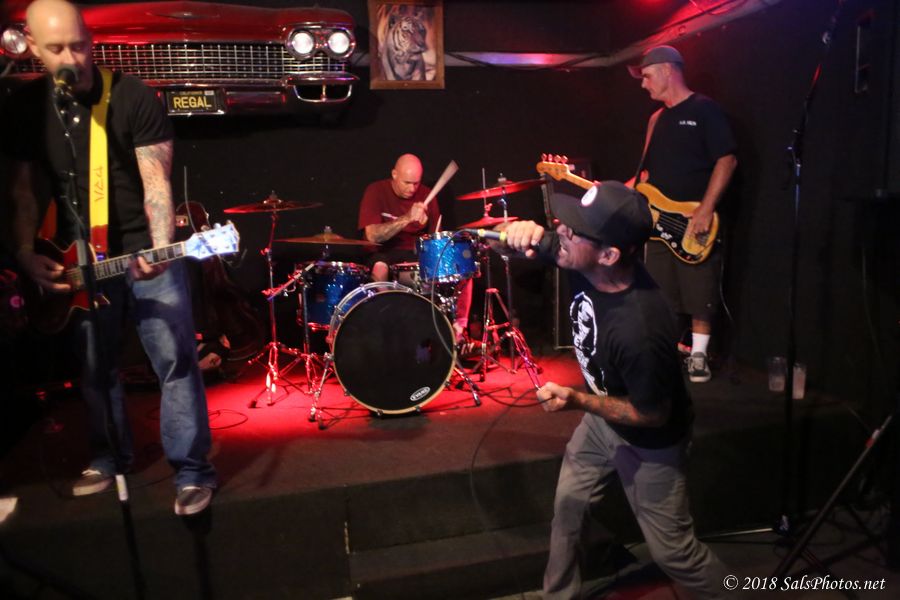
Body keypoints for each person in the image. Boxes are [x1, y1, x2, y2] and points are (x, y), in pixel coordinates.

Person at [4, 0, 216, 515]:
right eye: (56, 49)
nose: (71, 58)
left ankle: (191, 471)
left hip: (142, 251)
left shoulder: (132, 96)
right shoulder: (27, 108)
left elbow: (156, 184)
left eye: (79, 45)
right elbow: (25, 191)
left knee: (175, 361)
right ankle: (109, 458)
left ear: (92, 40)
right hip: (77, 260)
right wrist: (26, 252)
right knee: (95, 367)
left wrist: (160, 249)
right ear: (32, 48)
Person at [502, 182, 727, 599]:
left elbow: (652, 414)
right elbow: (521, 243)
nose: (561, 231)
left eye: (574, 230)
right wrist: (515, 234)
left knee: (675, 554)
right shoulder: (580, 255)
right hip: (602, 420)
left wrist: (578, 400)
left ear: (608, 255)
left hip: (650, 442)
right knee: (569, 509)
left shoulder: (640, 329)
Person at [628, 45, 737, 383]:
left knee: (699, 289)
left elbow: (727, 159)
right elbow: (644, 176)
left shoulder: (705, 110)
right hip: (657, 223)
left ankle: (699, 356)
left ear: (667, 70)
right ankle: (666, 353)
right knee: (661, 292)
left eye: (647, 76)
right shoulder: (656, 120)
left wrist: (706, 208)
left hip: (694, 218)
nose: (643, 84)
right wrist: (609, 190)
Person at [358, 153, 472, 341]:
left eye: (416, 183)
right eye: (407, 183)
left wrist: (432, 241)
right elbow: (372, 236)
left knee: (463, 266)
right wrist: (407, 218)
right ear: (394, 174)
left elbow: (436, 239)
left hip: (416, 254)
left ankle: (458, 330)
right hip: (383, 253)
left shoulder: (427, 194)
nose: (412, 189)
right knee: (380, 267)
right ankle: (388, 322)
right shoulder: (376, 191)